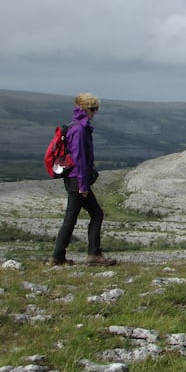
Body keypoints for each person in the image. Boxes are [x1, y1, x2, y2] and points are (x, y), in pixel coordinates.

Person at [49, 93, 117, 267]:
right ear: (86, 109)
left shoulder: (76, 126)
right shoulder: (79, 129)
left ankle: (59, 256)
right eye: (93, 109)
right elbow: (79, 159)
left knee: (78, 216)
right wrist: (83, 185)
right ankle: (90, 255)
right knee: (88, 215)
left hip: (74, 179)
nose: (95, 113)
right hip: (77, 180)